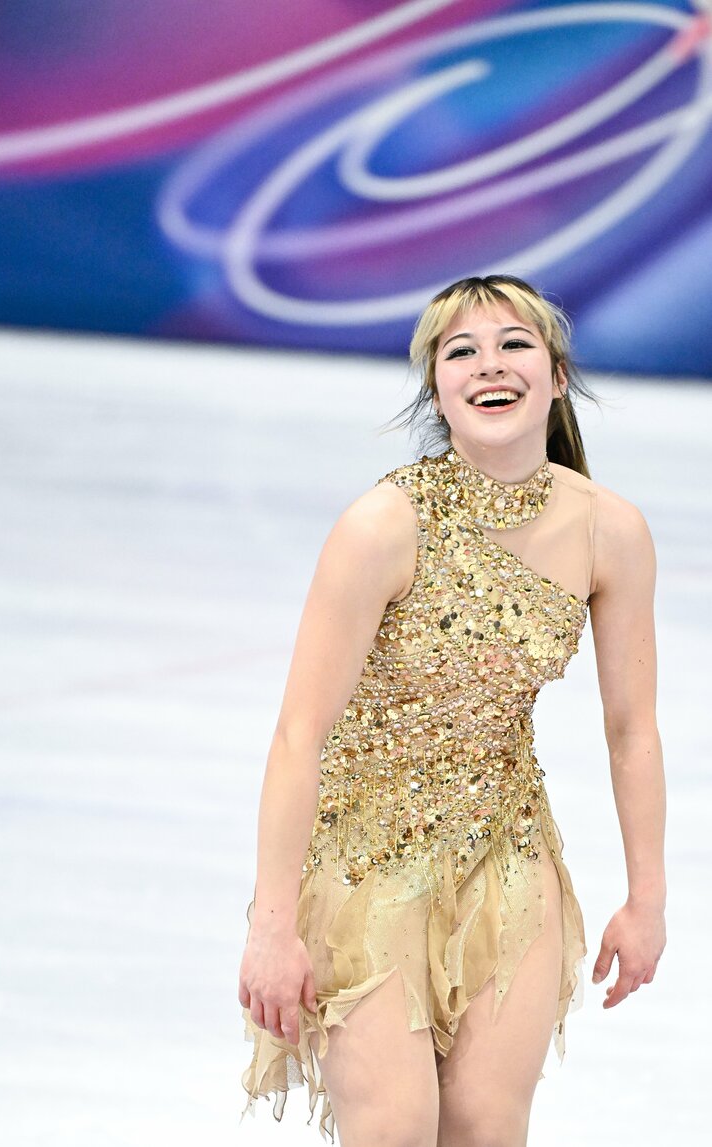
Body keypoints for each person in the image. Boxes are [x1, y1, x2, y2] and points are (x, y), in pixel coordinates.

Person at [237, 274, 667, 1147]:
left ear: (553, 374)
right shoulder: (383, 526)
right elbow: (298, 734)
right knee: (394, 1132)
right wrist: (271, 925)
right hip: (365, 858)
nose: (488, 365)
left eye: (513, 344)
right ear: (436, 387)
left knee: (479, 1129)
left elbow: (631, 729)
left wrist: (646, 895)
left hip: (508, 856)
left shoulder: (607, 530)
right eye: (458, 351)